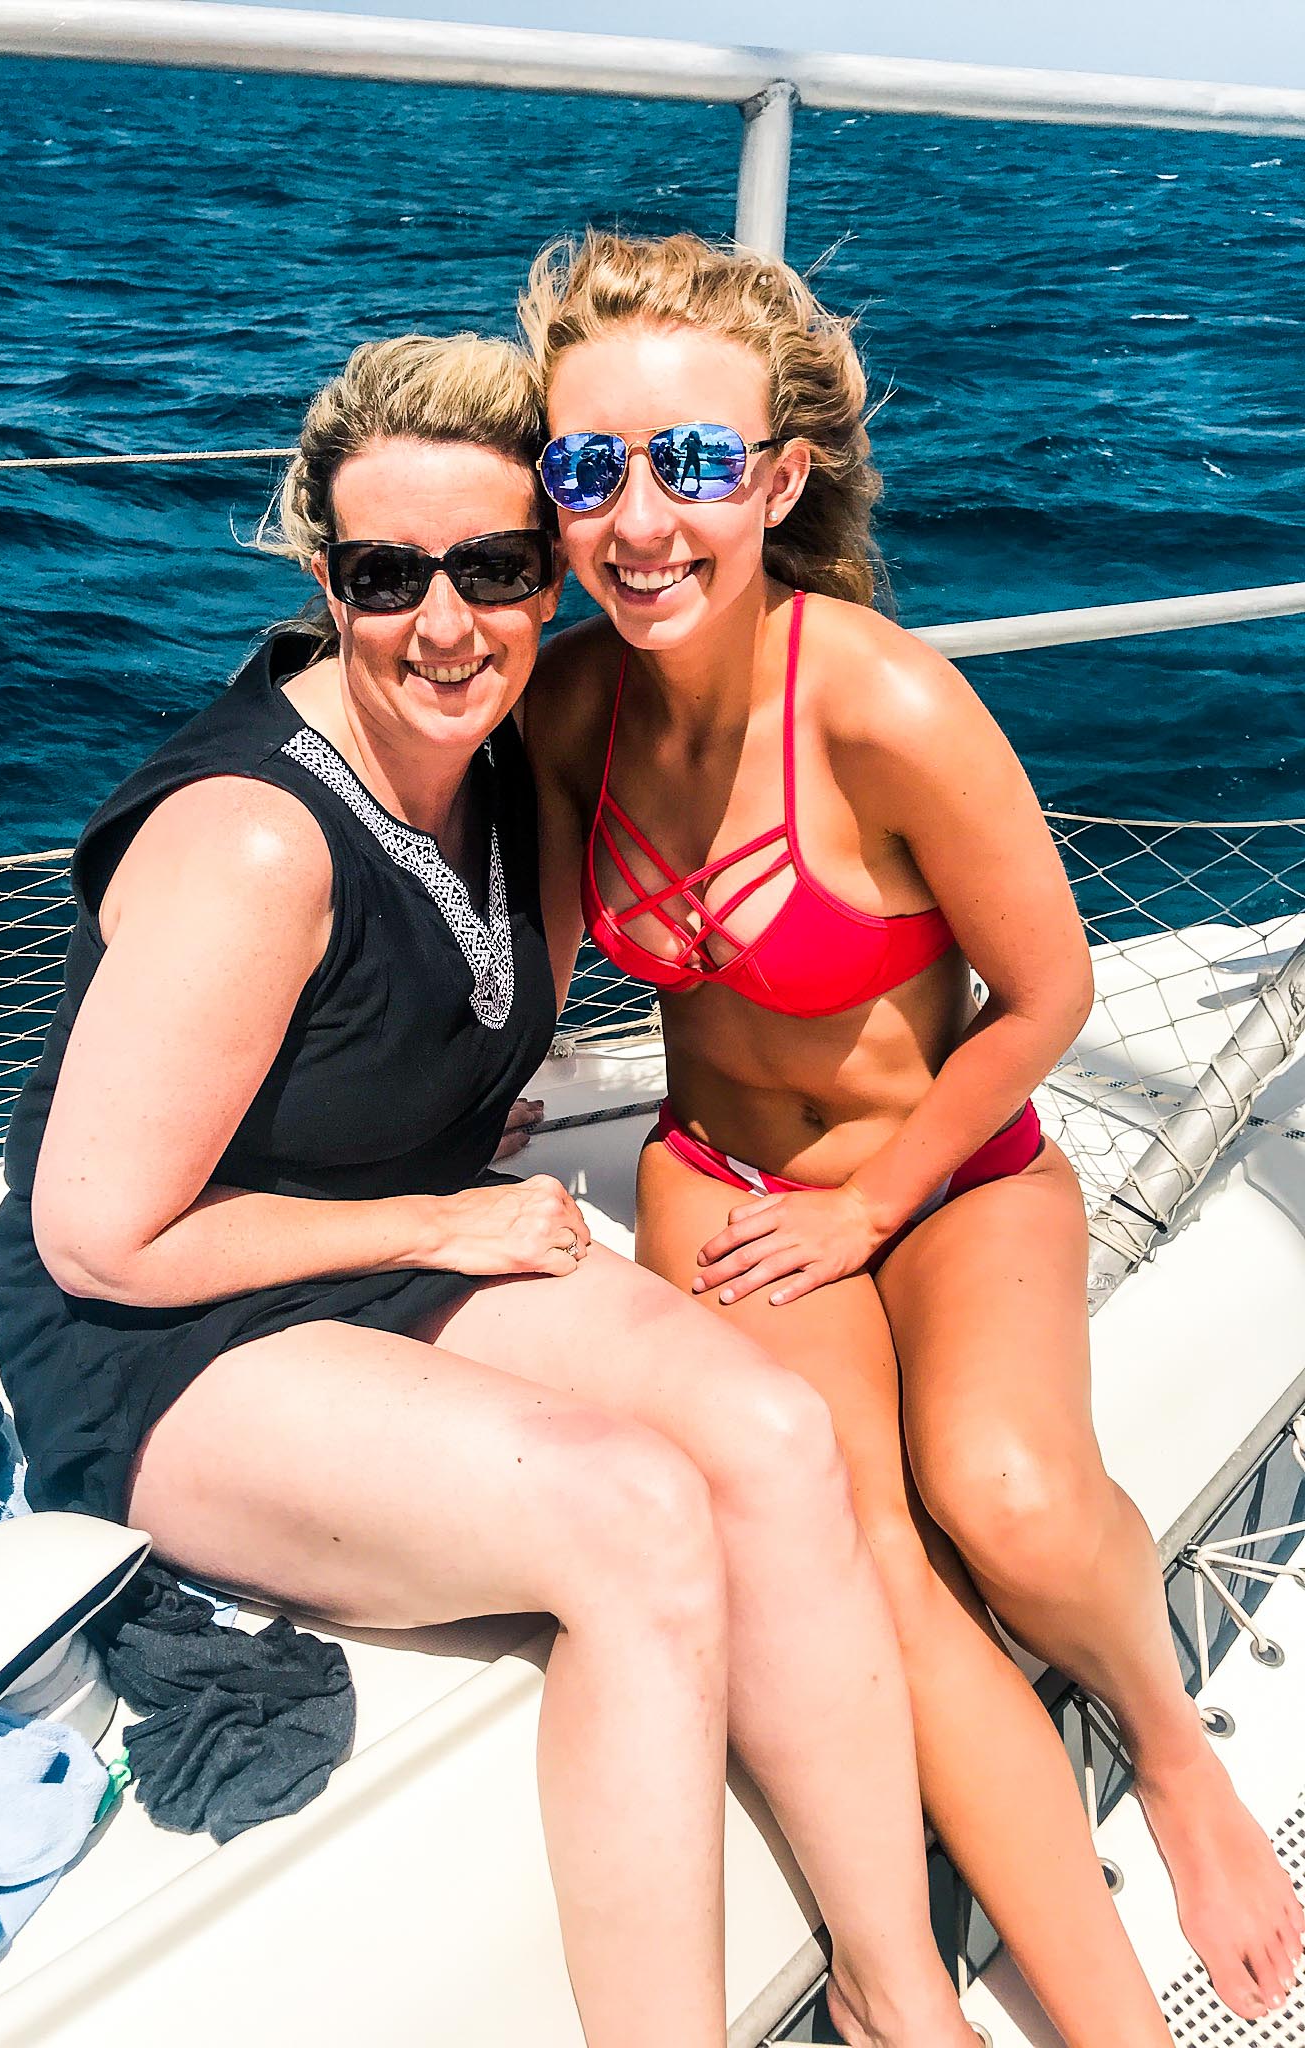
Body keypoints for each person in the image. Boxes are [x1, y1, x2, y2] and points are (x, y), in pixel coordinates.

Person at [0, 331, 980, 2048]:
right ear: (324, 578)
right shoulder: (253, 841)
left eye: (497, 566)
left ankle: (904, 1998)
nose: (445, 624)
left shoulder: (515, 763)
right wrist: (438, 1219)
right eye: (386, 576)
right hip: (160, 1329)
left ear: (550, 568)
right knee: (635, 1519)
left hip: (389, 1233)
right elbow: (102, 1233)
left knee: (772, 1439)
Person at [519, 229, 1305, 2043]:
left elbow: (1047, 997)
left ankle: (1169, 1749)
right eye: (588, 469)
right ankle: (1116, 2021)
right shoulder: (573, 710)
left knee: (1007, 1503)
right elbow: (530, 977)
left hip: (947, 1171)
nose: (639, 519)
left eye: (693, 462)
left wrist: (875, 1200)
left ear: (778, 478)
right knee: (862, 1549)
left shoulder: (879, 699)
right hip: (723, 1188)